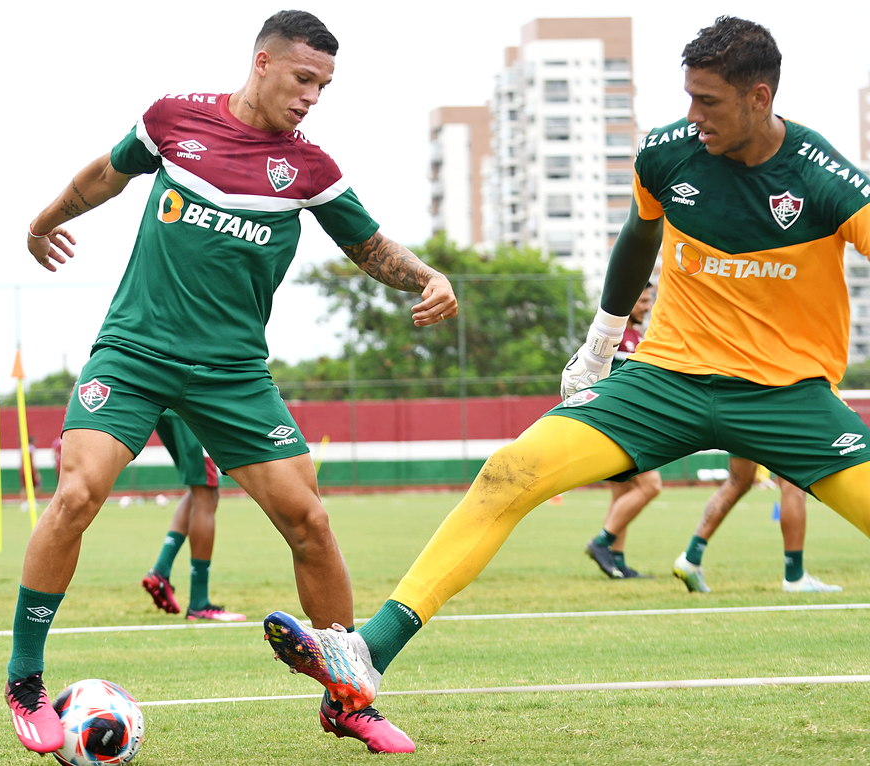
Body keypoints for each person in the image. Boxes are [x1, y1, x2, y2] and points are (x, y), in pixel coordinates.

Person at [262, 16, 870, 730]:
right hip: (663, 381)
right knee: (510, 472)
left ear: (759, 98)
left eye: (708, 102)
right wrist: (600, 347)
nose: (691, 115)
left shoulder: (826, 180)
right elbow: (639, 237)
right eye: (688, 97)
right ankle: (368, 651)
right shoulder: (670, 155)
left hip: (786, 397)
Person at [8, 10, 455, 756]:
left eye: (325, 85)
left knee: (308, 521)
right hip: (135, 351)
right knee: (78, 492)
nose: (313, 95)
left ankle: (348, 695)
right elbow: (103, 176)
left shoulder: (310, 168)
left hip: (233, 373)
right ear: (262, 63)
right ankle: (25, 681)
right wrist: (43, 220)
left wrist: (426, 276)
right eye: (304, 78)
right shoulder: (172, 120)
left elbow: (369, 245)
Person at [674, 456, 842, 593]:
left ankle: (691, 558)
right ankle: (795, 577)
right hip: (775, 416)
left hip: (737, 416)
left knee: (737, 481)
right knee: (793, 484)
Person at [584, 284, 661, 578]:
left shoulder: (636, 337)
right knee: (651, 485)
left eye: (649, 300)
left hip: (616, 425)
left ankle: (616, 560)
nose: (646, 306)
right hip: (618, 426)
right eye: (642, 300)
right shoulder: (618, 338)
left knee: (623, 494)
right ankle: (601, 542)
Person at [141, 411, 245, 622]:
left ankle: (161, 571)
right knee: (207, 491)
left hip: (167, 405)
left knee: (199, 489)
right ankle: (199, 602)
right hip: (189, 403)